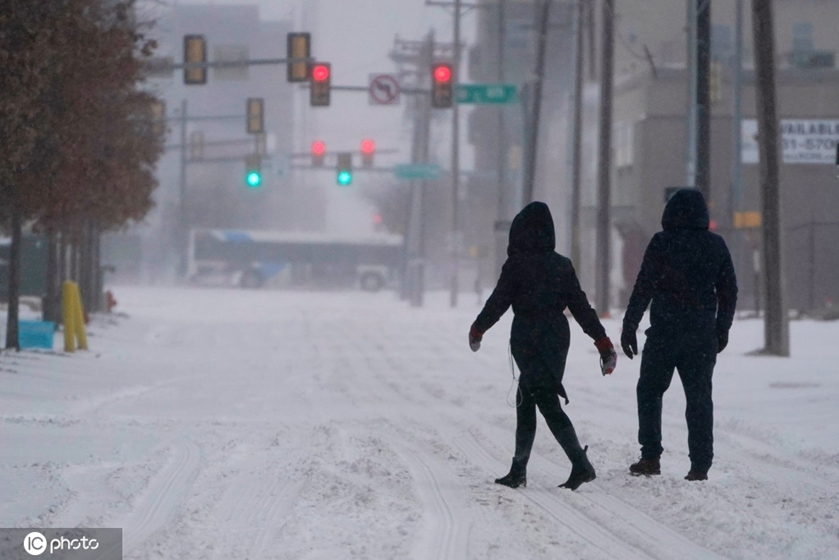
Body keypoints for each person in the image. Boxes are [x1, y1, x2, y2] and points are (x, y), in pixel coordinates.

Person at [468, 201, 617, 491]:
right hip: (555, 337)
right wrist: (602, 342)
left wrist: (478, 328)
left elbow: (498, 302)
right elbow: (582, 308)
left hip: (526, 336)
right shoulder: (561, 265)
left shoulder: (517, 265)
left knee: (545, 401)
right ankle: (519, 469)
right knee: (528, 400)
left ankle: (580, 465)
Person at [620, 188, 737, 481]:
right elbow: (729, 291)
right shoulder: (716, 245)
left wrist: (630, 325)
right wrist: (721, 328)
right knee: (699, 399)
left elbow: (643, 286)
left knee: (649, 390)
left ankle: (650, 457)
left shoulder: (662, 242)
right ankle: (700, 465)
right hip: (701, 334)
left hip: (664, 332)